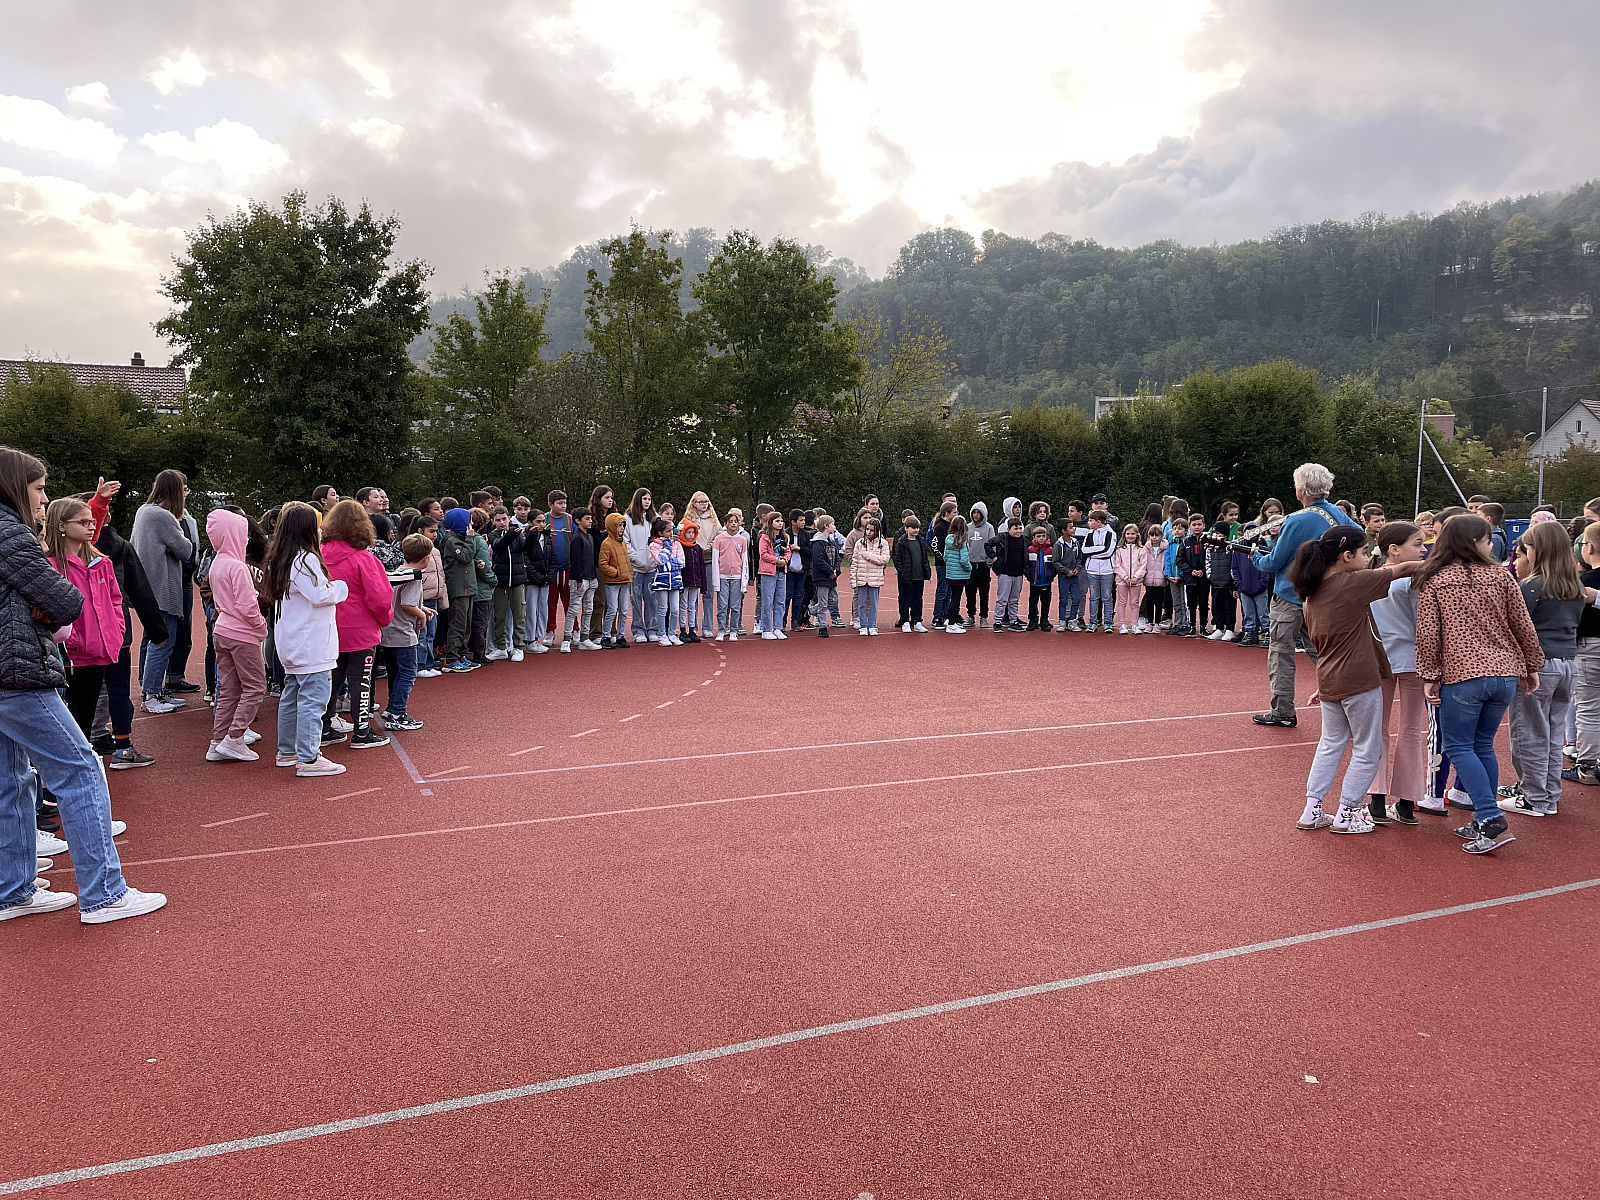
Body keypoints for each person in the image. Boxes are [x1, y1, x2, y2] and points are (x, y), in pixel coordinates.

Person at [0, 448, 166, 924]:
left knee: (11, 780)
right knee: (80, 769)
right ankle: (104, 894)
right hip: (17, 672)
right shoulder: (11, 533)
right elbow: (66, 600)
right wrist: (41, 604)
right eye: (38, 488)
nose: (43, 498)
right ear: (15, 486)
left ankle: (12, 890)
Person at [1415, 514, 1545, 855]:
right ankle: (1481, 816)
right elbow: (1523, 625)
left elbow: (1428, 634)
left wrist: (1429, 675)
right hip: (1504, 672)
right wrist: (1532, 665)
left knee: (1458, 746)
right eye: (1487, 539)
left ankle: (1488, 816)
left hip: (1463, 675)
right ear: (1475, 542)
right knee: (1483, 745)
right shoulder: (1502, 577)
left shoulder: (1435, 579)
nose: (1491, 545)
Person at [1290, 526, 1424, 835]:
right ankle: (1347, 814)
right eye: (1364, 552)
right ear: (1346, 556)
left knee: (1330, 744)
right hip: (1360, 678)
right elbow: (1403, 569)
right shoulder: (1353, 583)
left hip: (1329, 677)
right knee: (1368, 748)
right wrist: (1451, 557)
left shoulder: (1311, 595)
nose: (1367, 557)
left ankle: (1312, 810)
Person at [1251, 463, 1361, 728]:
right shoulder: (1338, 515)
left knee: (1281, 655)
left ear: (1301, 489)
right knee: (1326, 655)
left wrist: (1255, 557)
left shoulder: (1296, 520)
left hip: (1290, 597)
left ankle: (1283, 710)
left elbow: (1275, 561)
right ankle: (1349, 708)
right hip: (1324, 597)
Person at [1502, 521, 1585, 818]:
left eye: (1527, 549)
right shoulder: (1575, 586)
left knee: (1528, 732)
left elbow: (1516, 624)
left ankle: (1533, 796)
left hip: (1539, 664)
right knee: (1552, 732)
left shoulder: (1533, 586)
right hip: (1567, 663)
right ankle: (1548, 795)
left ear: (1539, 551)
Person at [42, 498, 124, 743]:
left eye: (93, 522)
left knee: (86, 717)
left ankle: (85, 758)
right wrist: (72, 639)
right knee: (68, 719)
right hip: (71, 654)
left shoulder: (102, 563)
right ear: (62, 525)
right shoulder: (51, 566)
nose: (91, 526)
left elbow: (115, 600)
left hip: (99, 649)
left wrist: (116, 631)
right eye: (84, 522)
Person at [319, 499, 393, 750]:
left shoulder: (319, 556)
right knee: (361, 680)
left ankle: (324, 726)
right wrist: (384, 619)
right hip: (360, 628)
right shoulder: (363, 559)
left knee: (333, 679)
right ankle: (362, 730)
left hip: (329, 627)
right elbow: (380, 597)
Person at [1367, 522, 1428, 825]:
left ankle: (1376, 800)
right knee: (1411, 729)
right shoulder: (1415, 583)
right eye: (1417, 544)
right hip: (1412, 660)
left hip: (1379, 659)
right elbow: (1424, 624)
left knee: (1377, 729)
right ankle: (1406, 802)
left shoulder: (1369, 578)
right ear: (1394, 549)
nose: (1424, 550)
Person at [203, 508, 268, 762]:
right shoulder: (238, 567)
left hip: (222, 631)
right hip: (242, 634)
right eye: (243, 533)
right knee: (255, 687)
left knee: (229, 688)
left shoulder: (217, 564)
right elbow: (247, 606)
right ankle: (235, 737)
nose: (247, 538)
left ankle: (218, 740)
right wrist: (261, 627)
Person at [129, 469, 194, 714]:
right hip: (162, 588)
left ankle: (152, 688)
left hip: (146, 586)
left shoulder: (143, 511)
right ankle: (152, 693)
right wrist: (175, 543)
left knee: (151, 638)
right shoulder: (164, 517)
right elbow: (186, 550)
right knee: (163, 640)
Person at [379, 535, 430, 732]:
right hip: (403, 632)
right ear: (425, 558)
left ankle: (392, 707)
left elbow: (400, 599)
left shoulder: (399, 572)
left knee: (396, 672)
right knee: (408, 672)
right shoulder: (414, 576)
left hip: (390, 629)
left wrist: (421, 608)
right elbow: (407, 604)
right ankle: (398, 714)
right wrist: (421, 615)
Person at [1566, 523, 1600, 787]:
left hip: (1590, 647)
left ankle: (1587, 766)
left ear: (1588, 548)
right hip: (1589, 647)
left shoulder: (1585, 582)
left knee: (1588, 708)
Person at [439, 509, 479, 672]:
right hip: (458, 588)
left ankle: (461, 654)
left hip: (467, 587)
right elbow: (465, 556)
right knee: (458, 624)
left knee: (466, 624)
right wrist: (470, 538)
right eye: (469, 521)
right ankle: (451, 658)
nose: (471, 525)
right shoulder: (451, 540)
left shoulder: (460, 538)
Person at [486, 505, 528, 661]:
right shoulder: (493, 535)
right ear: (493, 521)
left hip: (517, 580)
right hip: (501, 582)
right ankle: (500, 647)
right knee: (499, 616)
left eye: (504, 519)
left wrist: (533, 535)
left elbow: (525, 548)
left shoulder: (518, 532)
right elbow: (499, 546)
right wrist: (511, 534)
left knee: (519, 615)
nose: (502, 522)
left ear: (509, 518)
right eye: (498, 520)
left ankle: (518, 647)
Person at [562, 507, 600, 652]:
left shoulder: (589, 537)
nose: (590, 521)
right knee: (573, 609)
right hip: (579, 580)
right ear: (578, 521)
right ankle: (566, 639)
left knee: (588, 609)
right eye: (587, 519)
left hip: (590, 578)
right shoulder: (577, 538)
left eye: (590, 519)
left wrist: (594, 577)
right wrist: (578, 579)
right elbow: (575, 559)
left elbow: (591, 558)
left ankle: (584, 638)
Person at [416, 516, 448, 677]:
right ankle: (420, 665)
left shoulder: (435, 551)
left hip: (434, 598)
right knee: (422, 634)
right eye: (431, 531)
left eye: (436, 531)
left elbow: (440, 576)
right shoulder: (415, 551)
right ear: (420, 531)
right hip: (422, 600)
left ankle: (429, 663)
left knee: (430, 634)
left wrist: (443, 598)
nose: (435, 534)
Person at [623, 489, 657, 643]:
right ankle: (638, 630)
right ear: (637, 499)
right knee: (635, 599)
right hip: (636, 567)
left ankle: (652, 629)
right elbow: (625, 541)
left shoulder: (654, 518)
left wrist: (654, 558)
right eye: (644, 499)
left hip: (652, 567)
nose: (647, 502)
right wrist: (636, 558)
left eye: (649, 499)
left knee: (652, 600)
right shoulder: (628, 519)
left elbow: (660, 538)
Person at [598, 511, 634, 649]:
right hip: (613, 582)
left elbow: (626, 560)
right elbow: (603, 563)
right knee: (612, 609)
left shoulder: (622, 542)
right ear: (612, 527)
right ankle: (606, 636)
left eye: (623, 526)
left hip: (624, 581)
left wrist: (627, 573)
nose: (622, 528)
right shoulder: (607, 544)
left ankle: (620, 636)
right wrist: (616, 573)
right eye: (619, 526)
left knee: (624, 610)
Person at [1231, 525, 1271, 647]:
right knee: (1248, 612)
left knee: (1263, 612)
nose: (1252, 534)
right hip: (1244, 588)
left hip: (1260, 588)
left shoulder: (1263, 549)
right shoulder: (1239, 550)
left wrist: (1262, 582)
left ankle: (1267, 633)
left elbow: (1266, 567)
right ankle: (1250, 633)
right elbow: (1235, 568)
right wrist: (1239, 584)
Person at [649, 517, 685, 645]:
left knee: (675, 609)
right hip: (661, 581)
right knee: (663, 608)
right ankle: (662, 635)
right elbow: (660, 560)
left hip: (675, 580)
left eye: (672, 530)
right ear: (660, 533)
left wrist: (668, 565)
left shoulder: (677, 544)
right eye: (668, 531)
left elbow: (682, 562)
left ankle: (672, 634)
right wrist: (667, 546)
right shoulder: (653, 545)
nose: (671, 533)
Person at [1206, 502, 1240, 640]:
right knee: (1217, 606)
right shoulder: (1210, 548)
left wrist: (1233, 581)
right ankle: (1219, 628)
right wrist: (1210, 576)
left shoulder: (1231, 548)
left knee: (1229, 607)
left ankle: (1230, 629)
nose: (1216, 535)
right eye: (1215, 533)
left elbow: (1234, 565)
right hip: (1215, 582)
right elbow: (1208, 562)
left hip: (1228, 583)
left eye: (1219, 533)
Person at [850, 517, 889, 635]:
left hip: (875, 579)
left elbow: (884, 559)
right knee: (861, 603)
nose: (868, 532)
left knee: (873, 604)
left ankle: (872, 625)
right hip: (861, 578)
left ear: (877, 531)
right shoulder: (859, 543)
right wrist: (853, 580)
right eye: (867, 529)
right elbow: (854, 562)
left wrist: (868, 556)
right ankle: (863, 625)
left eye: (872, 530)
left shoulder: (883, 543)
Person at [714, 509, 749, 641]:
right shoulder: (719, 539)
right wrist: (716, 580)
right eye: (730, 522)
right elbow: (715, 559)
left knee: (735, 605)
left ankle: (734, 630)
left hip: (737, 577)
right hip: (723, 577)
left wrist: (744, 581)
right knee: (722, 606)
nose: (733, 524)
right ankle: (722, 630)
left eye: (735, 521)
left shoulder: (742, 540)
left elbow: (744, 561)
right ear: (725, 524)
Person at [521, 508, 552, 654]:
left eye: (543, 521)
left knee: (542, 609)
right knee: (531, 610)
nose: (541, 524)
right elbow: (526, 560)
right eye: (538, 521)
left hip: (545, 580)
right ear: (530, 522)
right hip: (532, 581)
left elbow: (552, 558)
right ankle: (529, 639)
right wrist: (538, 578)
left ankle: (538, 638)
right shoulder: (525, 537)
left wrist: (549, 576)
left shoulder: (546, 536)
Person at [546, 490, 574, 645]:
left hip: (568, 568)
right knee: (550, 602)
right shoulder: (543, 519)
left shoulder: (570, 520)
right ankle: (550, 631)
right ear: (550, 504)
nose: (563, 506)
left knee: (570, 601)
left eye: (565, 503)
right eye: (560, 503)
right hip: (550, 570)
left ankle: (574, 630)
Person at [1081, 510, 1117, 632]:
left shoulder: (1111, 533)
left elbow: (1108, 552)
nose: (1088, 523)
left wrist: (1092, 552)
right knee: (1093, 597)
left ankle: (1108, 622)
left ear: (1098, 522)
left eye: (1090, 520)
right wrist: (1099, 549)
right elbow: (1084, 550)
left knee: (1107, 597)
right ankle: (1093, 622)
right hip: (1092, 570)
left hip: (1107, 570)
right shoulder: (1089, 534)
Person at [757, 511, 790, 640]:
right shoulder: (764, 537)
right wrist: (776, 560)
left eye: (781, 521)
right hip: (768, 572)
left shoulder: (785, 537)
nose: (780, 523)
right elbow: (763, 554)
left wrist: (785, 559)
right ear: (770, 523)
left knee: (780, 601)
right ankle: (766, 629)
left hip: (782, 571)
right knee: (768, 601)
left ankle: (777, 627)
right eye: (777, 521)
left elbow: (788, 551)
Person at [1110, 523, 1146, 635]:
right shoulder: (1119, 549)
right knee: (1122, 602)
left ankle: (1134, 624)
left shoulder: (1141, 549)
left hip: (1136, 581)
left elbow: (1143, 565)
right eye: (1128, 534)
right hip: (1122, 580)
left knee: (1134, 603)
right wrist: (1125, 577)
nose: (1130, 536)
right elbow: (1116, 565)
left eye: (1133, 534)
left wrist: (1136, 577)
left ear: (1137, 535)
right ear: (1124, 535)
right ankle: (1122, 624)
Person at [1052, 517, 1084, 632]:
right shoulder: (1058, 545)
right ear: (1064, 531)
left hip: (1074, 577)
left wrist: (1077, 568)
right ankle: (1062, 621)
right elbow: (1055, 561)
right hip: (1064, 577)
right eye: (1070, 528)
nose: (1073, 529)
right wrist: (1066, 571)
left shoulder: (1075, 543)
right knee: (1064, 599)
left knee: (1076, 598)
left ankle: (1072, 621)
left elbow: (1079, 558)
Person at [965, 502, 994, 629]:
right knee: (970, 592)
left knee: (984, 592)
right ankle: (970, 616)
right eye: (974, 513)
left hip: (983, 565)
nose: (976, 515)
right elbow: (964, 544)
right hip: (970, 565)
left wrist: (989, 561)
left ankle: (983, 617)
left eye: (978, 513)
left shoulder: (989, 528)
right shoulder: (967, 527)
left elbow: (992, 545)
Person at [679, 519, 707, 644]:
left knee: (692, 606)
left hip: (695, 582)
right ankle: (682, 629)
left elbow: (701, 566)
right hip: (684, 582)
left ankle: (692, 629)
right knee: (683, 605)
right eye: (688, 532)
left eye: (692, 532)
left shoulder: (697, 548)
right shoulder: (680, 547)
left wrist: (703, 585)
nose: (690, 535)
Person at [941, 515, 970, 634]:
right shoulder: (962, 540)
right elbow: (964, 560)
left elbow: (945, 557)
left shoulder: (948, 539)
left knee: (953, 597)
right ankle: (952, 624)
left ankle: (950, 620)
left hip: (950, 573)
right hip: (960, 574)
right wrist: (969, 568)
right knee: (956, 598)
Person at [1024, 522, 1055, 632]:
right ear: (1034, 537)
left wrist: (1051, 575)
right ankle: (1033, 621)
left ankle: (1044, 621)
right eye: (1038, 536)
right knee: (1033, 602)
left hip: (1046, 581)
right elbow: (1026, 564)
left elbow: (1054, 565)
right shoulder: (1030, 549)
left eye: (1043, 536)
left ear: (1046, 537)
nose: (1041, 538)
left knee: (1045, 602)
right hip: (1034, 582)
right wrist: (1029, 576)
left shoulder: (1051, 550)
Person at [1140, 523, 1169, 632]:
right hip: (1149, 579)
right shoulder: (1146, 548)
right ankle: (1150, 622)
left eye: (1157, 535)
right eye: (1152, 535)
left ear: (1161, 536)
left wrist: (1165, 574)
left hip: (1161, 579)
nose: (1154, 538)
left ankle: (1157, 623)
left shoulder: (1166, 548)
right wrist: (1144, 574)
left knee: (1159, 602)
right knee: (1149, 602)